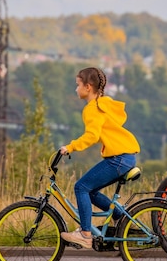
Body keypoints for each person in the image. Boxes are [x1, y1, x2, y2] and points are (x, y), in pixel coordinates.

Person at [59, 67, 141, 249]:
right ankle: (123, 222)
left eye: (77, 85)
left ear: (88, 87)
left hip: (118, 158)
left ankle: (85, 234)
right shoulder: (104, 103)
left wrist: (70, 147)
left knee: (81, 187)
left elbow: (92, 136)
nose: (76, 89)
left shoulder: (92, 109)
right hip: (126, 156)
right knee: (91, 191)